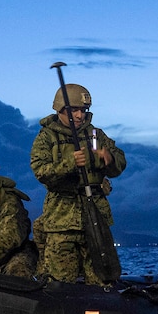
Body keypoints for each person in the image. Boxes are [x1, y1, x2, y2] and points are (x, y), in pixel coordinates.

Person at [29, 83, 126, 284]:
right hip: (61, 218)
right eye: (74, 110)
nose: (80, 115)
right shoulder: (46, 137)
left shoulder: (95, 135)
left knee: (101, 279)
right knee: (60, 281)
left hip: (95, 215)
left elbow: (119, 163)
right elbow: (40, 171)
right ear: (60, 109)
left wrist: (108, 158)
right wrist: (70, 163)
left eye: (83, 110)